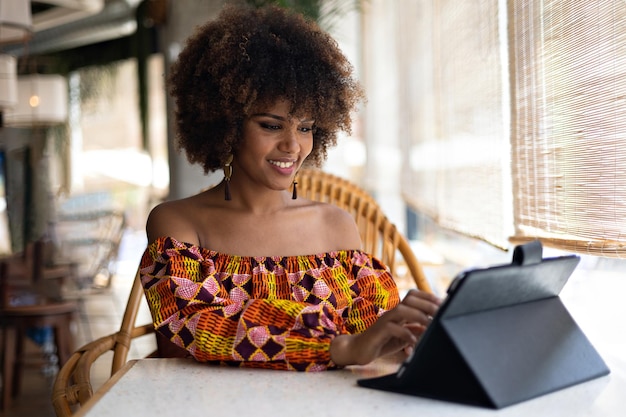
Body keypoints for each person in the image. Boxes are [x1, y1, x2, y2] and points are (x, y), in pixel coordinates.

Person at [139, 3, 441, 372]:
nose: (293, 146)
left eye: (305, 127)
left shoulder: (336, 225)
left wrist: (408, 336)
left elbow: (372, 342)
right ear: (225, 125)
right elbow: (198, 330)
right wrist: (339, 348)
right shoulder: (177, 223)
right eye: (271, 125)